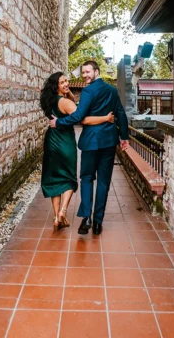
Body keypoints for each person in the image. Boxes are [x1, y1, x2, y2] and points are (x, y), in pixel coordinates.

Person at [49, 61, 129, 235]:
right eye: (83, 73)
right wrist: (124, 137)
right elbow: (121, 113)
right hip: (108, 141)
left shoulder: (88, 91)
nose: (84, 75)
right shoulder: (112, 90)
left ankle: (87, 217)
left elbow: (78, 116)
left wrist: (59, 122)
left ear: (96, 71)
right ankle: (98, 222)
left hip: (91, 142)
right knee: (103, 181)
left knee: (86, 178)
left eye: (87, 72)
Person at [39, 72, 114, 229]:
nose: (66, 84)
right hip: (65, 142)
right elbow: (83, 119)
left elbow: (71, 100)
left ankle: (56, 216)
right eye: (62, 82)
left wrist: (66, 89)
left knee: (54, 177)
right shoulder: (66, 103)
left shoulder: (50, 100)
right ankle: (63, 211)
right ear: (56, 86)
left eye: (67, 81)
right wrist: (105, 118)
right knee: (68, 176)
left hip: (51, 140)